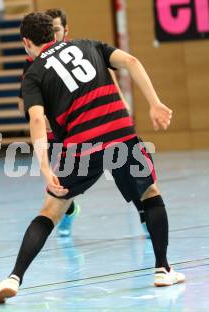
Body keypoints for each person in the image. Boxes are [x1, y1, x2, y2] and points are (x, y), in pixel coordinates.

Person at [0, 12, 185, 304]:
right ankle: (162, 269)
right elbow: (131, 62)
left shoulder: (33, 74)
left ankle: (14, 277)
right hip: (120, 135)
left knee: (50, 211)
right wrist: (154, 104)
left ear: (27, 42)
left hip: (80, 147)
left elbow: (38, 120)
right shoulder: (89, 45)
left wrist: (44, 167)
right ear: (54, 35)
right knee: (150, 193)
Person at [18, 8, 149, 238]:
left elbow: (106, 77)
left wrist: (121, 105)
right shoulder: (33, 66)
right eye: (52, 30)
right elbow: (27, 105)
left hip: (95, 128)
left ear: (64, 31)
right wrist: (40, 118)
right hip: (58, 135)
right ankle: (69, 211)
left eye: (57, 29)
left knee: (125, 171)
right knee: (58, 185)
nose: (55, 34)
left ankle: (144, 213)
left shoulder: (81, 51)